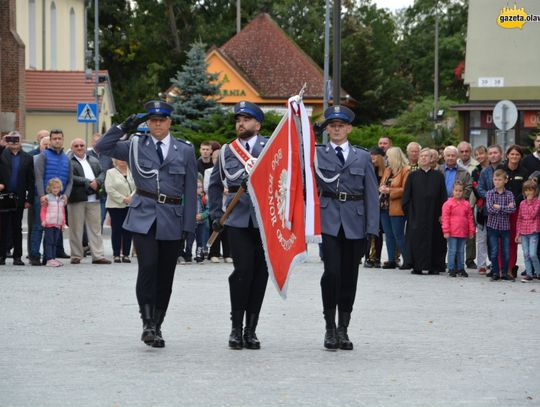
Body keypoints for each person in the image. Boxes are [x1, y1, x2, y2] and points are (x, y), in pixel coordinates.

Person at [96, 100, 197, 348]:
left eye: (162, 120)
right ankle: (148, 323)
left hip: (172, 217)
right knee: (148, 266)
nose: (157, 124)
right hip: (144, 215)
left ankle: (159, 325)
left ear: (170, 121)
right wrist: (122, 127)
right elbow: (102, 147)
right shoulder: (135, 146)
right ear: (147, 123)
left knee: (166, 275)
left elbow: (191, 190)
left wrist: (188, 226)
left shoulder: (184, 150)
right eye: (152, 121)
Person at [314, 105, 379, 350]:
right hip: (329, 221)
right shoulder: (317, 154)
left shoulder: (361, 156)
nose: (337, 129)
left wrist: (372, 227)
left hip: (355, 222)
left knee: (350, 277)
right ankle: (329, 327)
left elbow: (371, 194)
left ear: (349, 128)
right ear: (327, 129)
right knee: (332, 273)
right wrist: (310, 130)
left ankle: (343, 329)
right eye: (332, 125)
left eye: (341, 125)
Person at [209, 101, 269, 350]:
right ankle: (235, 329)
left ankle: (251, 330)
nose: (240, 123)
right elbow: (214, 184)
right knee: (242, 272)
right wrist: (215, 212)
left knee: (261, 275)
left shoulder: (271, 148)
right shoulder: (226, 151)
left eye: (246, 119)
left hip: (266, 220)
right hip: (238, 218)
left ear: (258, 124)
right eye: (237, 119)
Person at [402, 148, 447, 275]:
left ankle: (434, 266)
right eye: (421, 156)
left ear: (432, 158)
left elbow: (443, 196)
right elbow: (406, 197)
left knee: (435, 239)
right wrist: (410, 213)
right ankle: (417, 265)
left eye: (426, 156)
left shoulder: (438, 176)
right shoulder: (412, 176)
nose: (423, 158)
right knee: (417, 240)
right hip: (416, 215)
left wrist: (442, 214)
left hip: (434, 215)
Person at [32, 129, 73, 265]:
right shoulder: (43, 155)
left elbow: (70, 180)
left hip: (58, 200)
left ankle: (49, 257)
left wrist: (66, 194)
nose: (57, 140)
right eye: (54, 138)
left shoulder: (66, 158)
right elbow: (38, 176)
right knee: (39, 227)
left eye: (59, 138)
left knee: (54, 229)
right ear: (50, 140)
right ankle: (34, 256)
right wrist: (42, 195)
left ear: (62, 139)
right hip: (44, 198)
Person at [68, 138, 110, 265]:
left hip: (94, 198)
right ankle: (76, 255)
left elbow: (102, 173)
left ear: (85, 147)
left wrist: (97, 182)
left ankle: (98, 255)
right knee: (76, 229)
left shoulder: (93, 160)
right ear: (72, 148)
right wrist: (87, 182)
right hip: (77, 198)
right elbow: (70, 177)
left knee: (96, 229)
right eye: (76, 146)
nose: (80, 147)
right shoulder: (68, 161)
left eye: (82, 145)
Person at [0, 131, 35, 266]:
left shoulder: (27, 157)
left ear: (21, 141)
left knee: (17, 227)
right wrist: (3, 143)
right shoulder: (2, 154)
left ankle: (17, 256)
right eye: (11, 139)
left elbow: (31, 181)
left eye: (17, 139)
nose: (14, 141)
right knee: (2, 227)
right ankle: (1, 255)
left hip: (19, 197)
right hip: (4, 196)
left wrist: (29, 199)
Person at [498, 145, 529, 278]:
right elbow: (497, 186)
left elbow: (526, 191)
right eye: (512, 154)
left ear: (520, 157)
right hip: (501, 210)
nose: (514, 157)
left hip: (516, 210)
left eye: (517, 154)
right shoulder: (501, 170)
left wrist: (514, 202)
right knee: (500, 240)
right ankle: (500, 268)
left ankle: (510, 268)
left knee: (512, 240)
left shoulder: (524, 171)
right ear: (507, 155)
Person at [379, 147, 410, 269]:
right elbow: (382, 183)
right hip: (384, 206)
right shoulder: (388, 170)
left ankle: (407, 260)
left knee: (399, 234)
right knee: (388, 234)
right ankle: (391, 260)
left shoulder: (405, 170)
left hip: (397, 207)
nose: (386, 159)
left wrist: (389, 190)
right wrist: (381, 188)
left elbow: (406, 189)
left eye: (388, 156)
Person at [486, 169, 516, 281]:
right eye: (495, 179)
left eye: (500, 179)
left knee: (506, 251)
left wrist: (499, 207)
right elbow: (489, 209)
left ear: (505, 180)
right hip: (492, 226)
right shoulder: (489, 193)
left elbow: (512, 209)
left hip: (505, 227)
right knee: (494, 251)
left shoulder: (509, 194)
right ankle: (495, 272)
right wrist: (505, 208)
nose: (497, 182)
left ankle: (504, 273)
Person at [441, 181, 475, 277]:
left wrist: (471, 231)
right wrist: (446, 231)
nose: (458, 192)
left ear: (463, 192)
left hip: (463, 232)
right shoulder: (448, 204)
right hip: (452, 232)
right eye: (456, 190)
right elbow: (445, 218)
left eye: (460, 191)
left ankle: (461, 268)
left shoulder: (466, 204)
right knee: (452, 250)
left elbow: (470, 218)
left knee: (461, 251)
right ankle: (451, 268)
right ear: (452, 191)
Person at [104, 159, 135, 263]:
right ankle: (116, 254)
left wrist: (130, 197)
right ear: (115, 160)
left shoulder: (132, 172)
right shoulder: (110, 172)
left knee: (128, 230)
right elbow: (109, 189)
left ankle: (126, 254)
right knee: (117, 230)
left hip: (130, 204)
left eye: (124, 158)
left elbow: (138, 186)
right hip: (115, 205)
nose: (122, 160)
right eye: (119, 158)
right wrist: (123, 199)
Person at [204, 148, 231, 263]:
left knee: (228, 231)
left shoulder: (229, 170)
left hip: (228, 204)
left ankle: (228, 254)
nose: (218, 160)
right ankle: (214, 253)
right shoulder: (208, 171)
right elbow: (207, 187)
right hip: (216, 204)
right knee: (215, 228)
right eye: (216, 158)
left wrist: (228, 190)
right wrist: (222, 190)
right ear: (212, 159)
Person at [364, 147, 385, 268]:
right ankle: (367, 258)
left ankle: (377, 257)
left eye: (375, 155)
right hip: (369, 203)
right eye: (371, 154)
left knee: (378, 232)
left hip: (380, 204)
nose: (372, 157)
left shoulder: (384, 171)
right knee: (369, 232)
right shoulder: (367, 168)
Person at [515, 180, 540, 282]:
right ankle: (529, 274)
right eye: (526, 190)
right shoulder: (521, 203)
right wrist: (518, 234)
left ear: (535, 191)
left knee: (533, 254)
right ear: (524, 191)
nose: (528, 193)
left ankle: (538, 273)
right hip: (524, 232)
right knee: (525, 254)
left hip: (533, 232)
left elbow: (532, 214)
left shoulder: (537, 203)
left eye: (531, 190)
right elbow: (519, 218)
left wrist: (530, 202)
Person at [88, 133, 114, 227]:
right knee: (90, 220)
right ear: (92, 142)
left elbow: (112, 171)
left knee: (100, 219)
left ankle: (97, 238)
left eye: (100, 141)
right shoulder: (87, 155)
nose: (98, 144)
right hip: (91, 191)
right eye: (96, 141)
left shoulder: (108, 156)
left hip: (105, 192)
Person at [40, 178, 66, 267]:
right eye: (54, 187)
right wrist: (43, 220)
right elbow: (43, 210)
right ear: (50, 188)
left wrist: (63, 223)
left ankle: (53, 258)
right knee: (49, 242)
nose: (56, 189)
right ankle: (49, 259)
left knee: (55, 242)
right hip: (49, 223)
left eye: (57, 187)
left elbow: (62, 212)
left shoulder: (61, 198)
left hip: (57, 224)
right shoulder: (47, 198)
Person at [471, 145, 489, 273]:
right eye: (476, 155)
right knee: (481, 236)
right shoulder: (475, 171)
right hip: (481, 206)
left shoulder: (496, 168)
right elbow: (476, 188)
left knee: (493, 237)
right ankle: (482, 264)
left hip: (496, 207)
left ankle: (494, 263)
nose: (479, 156)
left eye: (481, 153)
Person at [193, 178, 210, 263]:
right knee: (189, 239)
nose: (199, 189)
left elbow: (208, 209)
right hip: (192, 222)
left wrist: (202, 215)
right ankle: (187, 254)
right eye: (197, 187)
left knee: (200, 240)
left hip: (202, 222)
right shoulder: (189, 198)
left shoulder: (204, 198)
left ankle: (199, 255)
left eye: (200, 187)